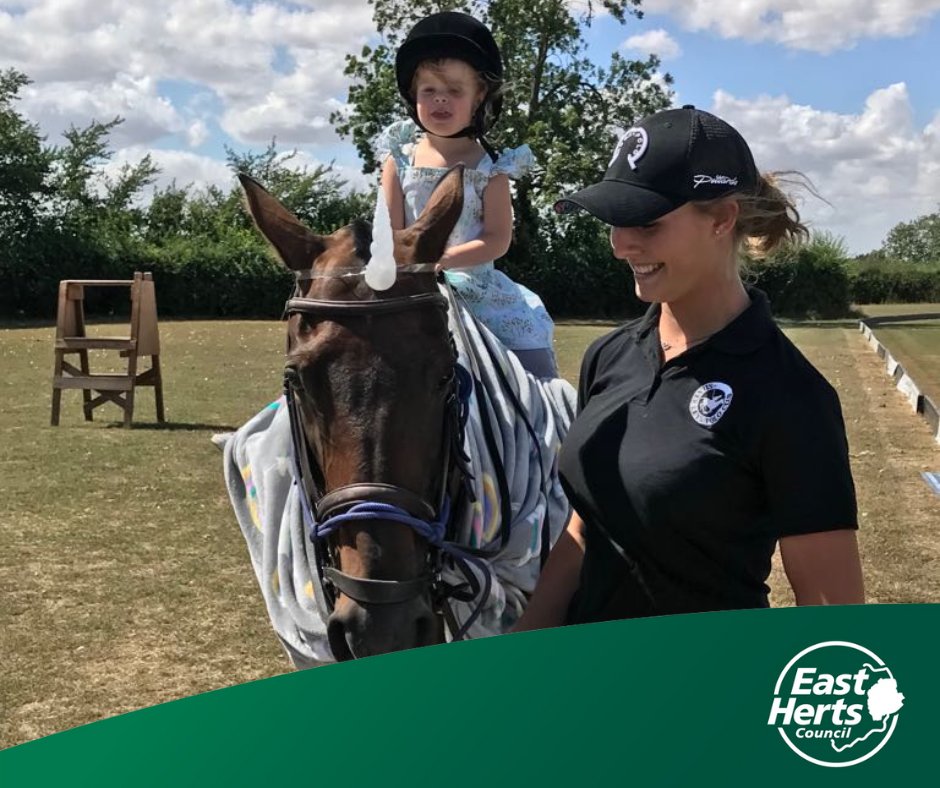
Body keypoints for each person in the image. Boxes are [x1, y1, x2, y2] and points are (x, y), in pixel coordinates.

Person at [514, 105, 864, 629]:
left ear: (721, 219)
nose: (620, 244)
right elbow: (590, 522)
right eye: (616, 221)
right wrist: (526, 638)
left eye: (646, 223)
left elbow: (834, 620)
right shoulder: (608, 358)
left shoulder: (789, 394)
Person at [375, 11, 558, 378]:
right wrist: (407, 265)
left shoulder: (491, 168)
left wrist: (443, 259)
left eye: (454, 91)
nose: (440, 100)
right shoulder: (398, 160)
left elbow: (497, 238)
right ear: (414, 95)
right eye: (429, 91)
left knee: (533, 352)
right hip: (410, 282)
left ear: (478, 99)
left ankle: (551, 420)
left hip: (474, 286)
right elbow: (388, 232)